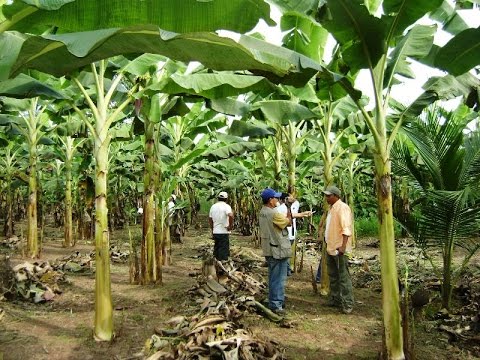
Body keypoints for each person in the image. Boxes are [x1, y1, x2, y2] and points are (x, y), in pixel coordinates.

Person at [259, 188, 292, 315]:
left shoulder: (263, 212)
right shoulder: (273, 214)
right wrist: (288, 207)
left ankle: (274, 300)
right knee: (279, 278)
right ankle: (276, 304)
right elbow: (288, 223)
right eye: (275, 198)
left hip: (269, 248)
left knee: (273, 277)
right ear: (270, 200)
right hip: (277, 249)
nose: (277, 200)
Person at [322, 185, 354, 314]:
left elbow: (346, 229)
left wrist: (343, 246)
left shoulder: (343, 208)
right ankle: (335, 299)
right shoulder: (332, 209)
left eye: (329, 196)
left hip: (339, 248)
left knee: (343, 277)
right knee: (333, 275)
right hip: (331, 247)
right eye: (326, 195)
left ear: (336, 196)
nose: (326, 198)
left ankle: (348, 303)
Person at [209, 191, 234, 261]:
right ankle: (222, 267)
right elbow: (231, 215)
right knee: (223, 252)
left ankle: (216, 266)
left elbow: (210, 219)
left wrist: (212, 229)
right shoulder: (227, 207)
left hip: (216, 231)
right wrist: (230, 226)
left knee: (217, 250)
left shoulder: (213, 207)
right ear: (226, 199)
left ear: (218, 198)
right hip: (224, 232)